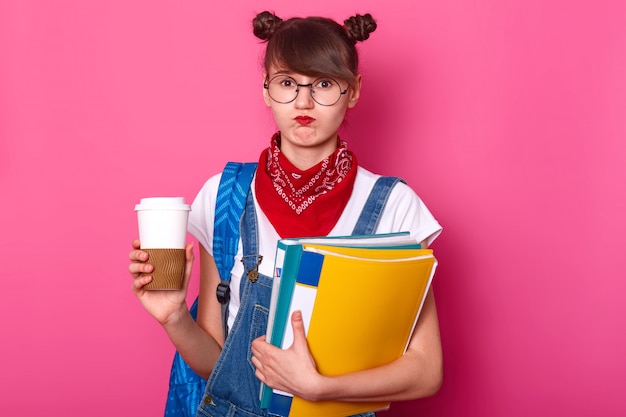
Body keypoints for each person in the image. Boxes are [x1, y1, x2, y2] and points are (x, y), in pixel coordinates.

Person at [128, 10, 443, 417]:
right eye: (287, 83)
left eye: (324, 84)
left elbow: (426, 369)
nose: (304, 102)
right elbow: (217, 365)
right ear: (266, 89)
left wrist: (321, 386)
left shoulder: (396, 207)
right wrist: (173, 318)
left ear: (354, 90)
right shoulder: (224, 196)